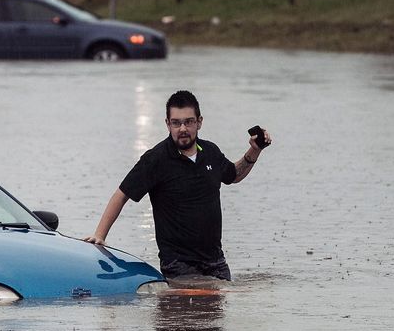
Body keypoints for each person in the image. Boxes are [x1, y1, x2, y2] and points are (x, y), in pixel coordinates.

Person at [83, 90, 271, 281]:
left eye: (188, 122)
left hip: (216, 262)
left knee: (217, 309)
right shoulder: (155, 159)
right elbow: (121, 194)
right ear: (167, 124)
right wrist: (100, 235)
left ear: (199, 122)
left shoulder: (211, 152)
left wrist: (254, 151)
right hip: (178, 265)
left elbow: (234, 175)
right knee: (187, 308)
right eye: (176, 123)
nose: (182, 128)